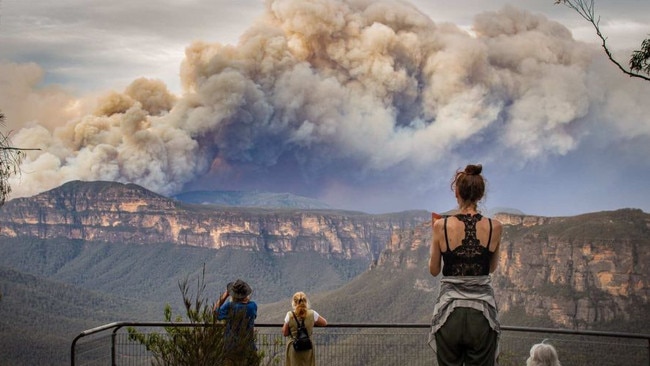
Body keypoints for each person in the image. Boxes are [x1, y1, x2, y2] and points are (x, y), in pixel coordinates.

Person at [427, 164, 503, 366]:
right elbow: (492, 268)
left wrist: (435, 236)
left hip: (449, 313)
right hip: (482, 314)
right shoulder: (495, 226)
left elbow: (434, 270)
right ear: (480, 195)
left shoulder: (440, 226)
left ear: (457, 193)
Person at [213, 279, 259, 366]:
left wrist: (224, 296)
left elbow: (215, 312)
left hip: (231, 348)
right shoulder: (252, 306)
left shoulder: (230, 306)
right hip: (248, 348)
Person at [282, 291, 328, 366]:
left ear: (294, 303)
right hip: (307, 346)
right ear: (306, 302)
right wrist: (312, 322)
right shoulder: (312, 314)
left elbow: (285, 332)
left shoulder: (289, 315)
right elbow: (324, 323)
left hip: (294, 347)